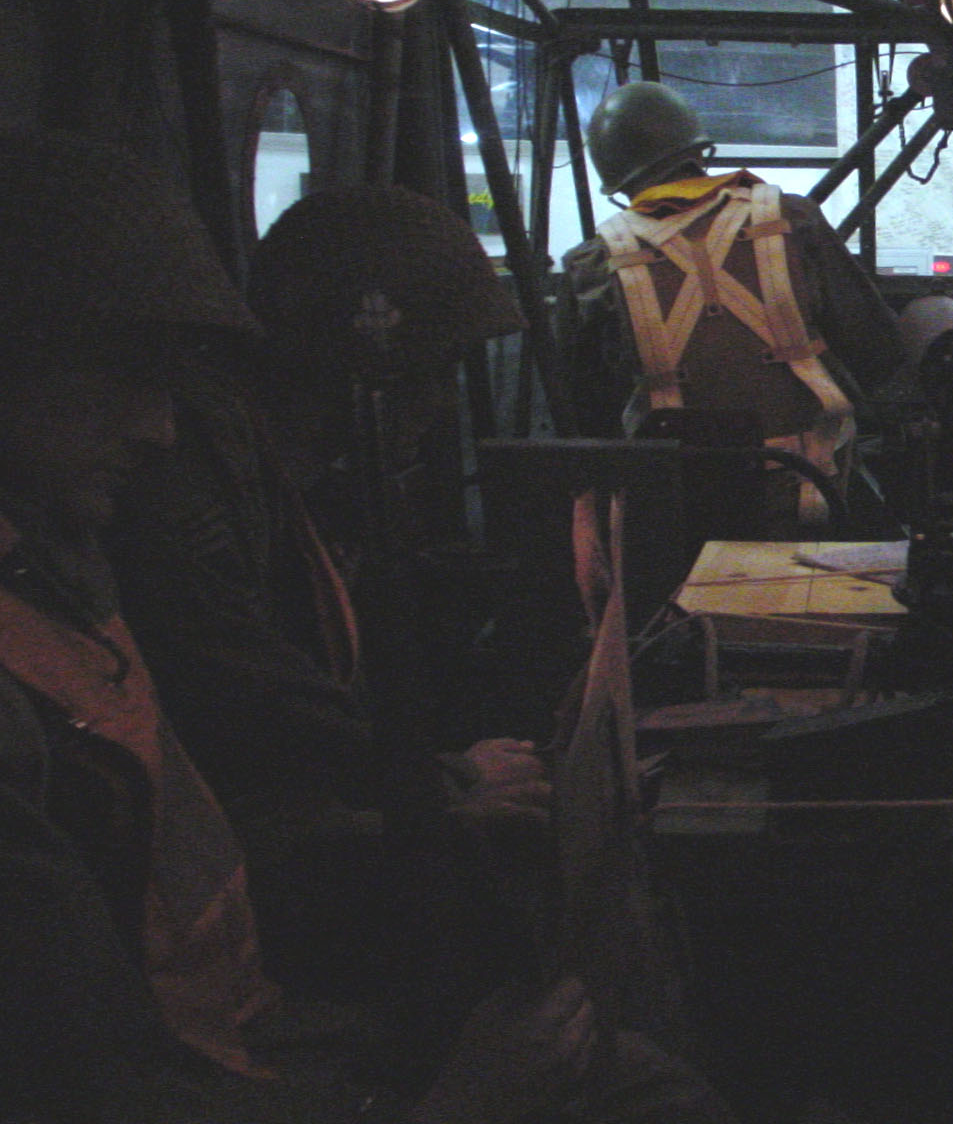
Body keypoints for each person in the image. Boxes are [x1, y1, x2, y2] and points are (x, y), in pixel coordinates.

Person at [0, 129, 607, 1122]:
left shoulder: (60, 562)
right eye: (123, 375)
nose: (158, 428)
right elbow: (88, 1069)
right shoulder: (149, 512)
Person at [558, 80, 903, 527]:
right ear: (700, 153)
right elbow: (877, 352)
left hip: (677, 506)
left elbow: (588, 413)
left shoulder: (592, 265)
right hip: (813, 489)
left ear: (617, 183)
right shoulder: (793, 221)